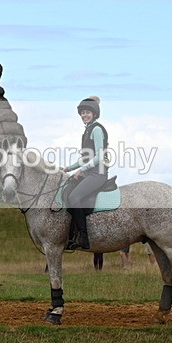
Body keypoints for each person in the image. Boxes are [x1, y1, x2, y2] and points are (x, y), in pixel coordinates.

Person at [61, 96, 109, 250]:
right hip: (90, 173)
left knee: (74, 197)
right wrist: (67, 169)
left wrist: (82, 170)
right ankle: (71, 235)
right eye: (82, 113)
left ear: (94, 113)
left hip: (98, 174)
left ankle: (83, 238)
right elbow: (85, 159)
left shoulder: (96, 129)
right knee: (67, 192)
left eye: (87, 112)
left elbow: (99, 156)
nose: (84, 115)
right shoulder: (87, 130)